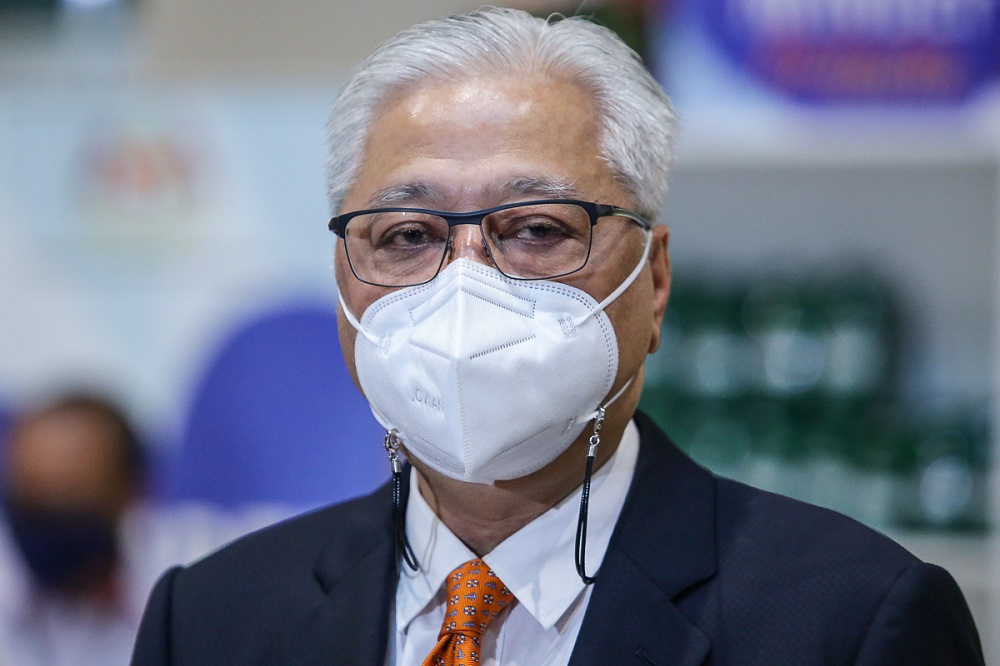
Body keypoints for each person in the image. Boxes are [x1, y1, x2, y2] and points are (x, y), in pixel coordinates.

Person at [131, 7, 984, 665]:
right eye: (406, 235)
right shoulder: (211, 619)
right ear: (344, 281)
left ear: (653, 280)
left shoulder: (851, 621)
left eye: (535, 228)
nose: (465, 283)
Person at [0, 393, 277, 665]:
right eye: (30, 498)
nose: (48, 520)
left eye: (68, 497)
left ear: (131, 490)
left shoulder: (205, 573)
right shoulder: (8, 584)